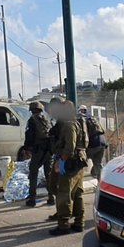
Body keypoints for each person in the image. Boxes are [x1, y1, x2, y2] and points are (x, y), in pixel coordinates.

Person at [48, 100, 88, 236]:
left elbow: (70, 148)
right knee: (77, 194)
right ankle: (79, 223)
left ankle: (63, 224)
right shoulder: (77, 122)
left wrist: (62, 162)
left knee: (63, 193)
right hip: (78, 162)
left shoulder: (69, 124)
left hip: (70, 163)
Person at [23, 101, 53, 207]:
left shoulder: (32, 120)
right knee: (48, 174)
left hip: (38, 150)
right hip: (49, 150)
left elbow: (29, 136)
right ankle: (51, 197)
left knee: (33, 173)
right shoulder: (47, 119)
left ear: (32, 110)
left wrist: (26, 148)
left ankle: (32, 199)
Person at [79, 105, 107, 179]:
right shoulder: (93, 117)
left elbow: (84, 134)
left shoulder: (82, 119)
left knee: (81, 160)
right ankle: (100, 180)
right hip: (103, 142)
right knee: (98, 163)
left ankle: (78, 179)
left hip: (94, 143)